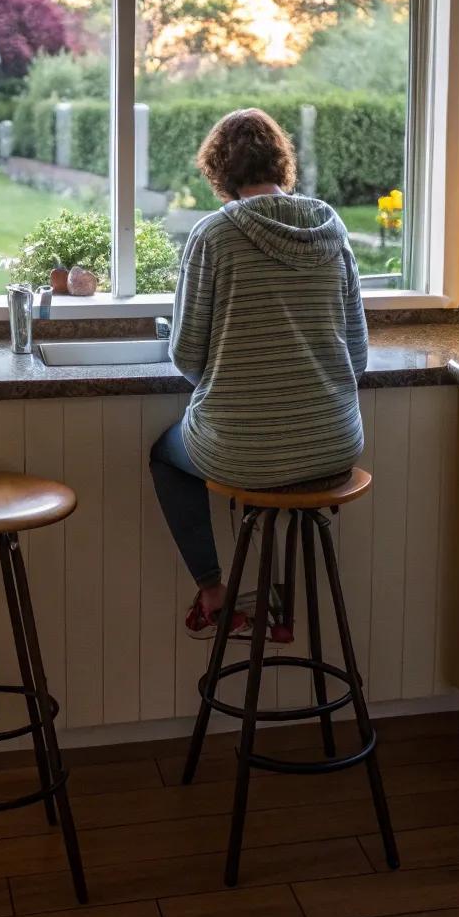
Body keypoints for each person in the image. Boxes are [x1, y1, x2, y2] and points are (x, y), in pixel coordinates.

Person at [149, 107, 368, 641]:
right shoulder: (332, 228)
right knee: (282, 466)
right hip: (335, 446)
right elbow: (358, 354)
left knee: (163, 456)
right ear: (281, 163)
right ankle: (282, 604)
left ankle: (214, 592)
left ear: (219, 171)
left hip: (244, 453)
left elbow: (187, 355)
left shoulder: (214, 235)